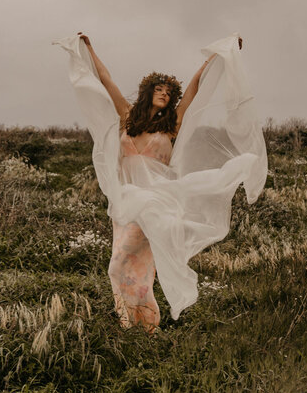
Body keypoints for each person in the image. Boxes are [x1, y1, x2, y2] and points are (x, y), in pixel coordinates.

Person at [53, 31, 267, 330]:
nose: (165, 93)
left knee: (118, 266)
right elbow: (105, 79)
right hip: (127, 202)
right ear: (149, 91)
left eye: (169, 91)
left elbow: (195, 87)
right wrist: (88, 48)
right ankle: (137, 326)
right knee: (131, 268)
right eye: (160, 89)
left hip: (157, 201)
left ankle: (143, 324)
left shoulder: (173, 125)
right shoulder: (128, 117)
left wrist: (217, 57)